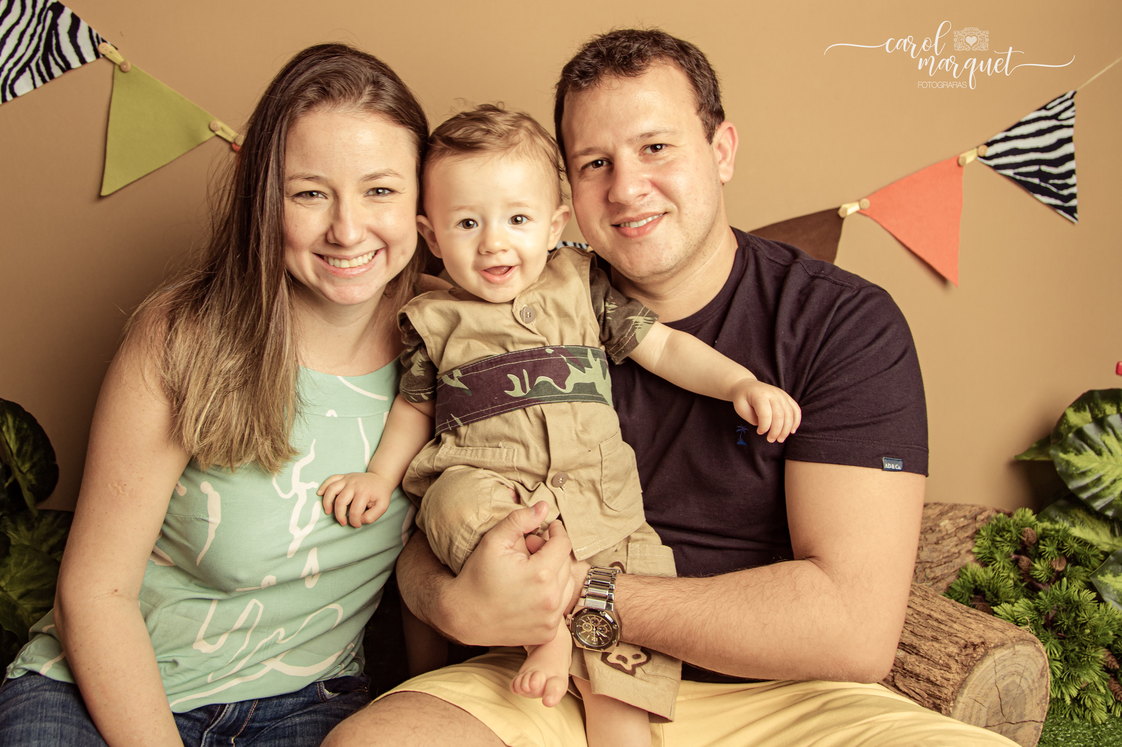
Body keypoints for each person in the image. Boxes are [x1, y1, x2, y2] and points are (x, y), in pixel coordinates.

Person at [323, 30, 1018, 746]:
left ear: (721, 152)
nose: (626, 188)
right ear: (568, 191)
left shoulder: (840, 322)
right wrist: (457, 604)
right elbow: (432, 501)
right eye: (596, 162)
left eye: (656, 147)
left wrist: (578, 594)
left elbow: (851, 627)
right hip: (532, 680)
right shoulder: (490, 308)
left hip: (784, 699)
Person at [0, 43, 432, 747]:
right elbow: (94, 594)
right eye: (309, 192)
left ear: (423, 200)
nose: (347, 229)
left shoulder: (451, 343)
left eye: (380, 190)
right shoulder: (184, 335)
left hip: (306, 702)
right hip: (104, 688)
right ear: (263, 197)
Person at [317, 104, 800, 747]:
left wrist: (739, 382)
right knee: (449, 505)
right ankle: (540, 631)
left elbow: (663, 348)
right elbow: (414, 406)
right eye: (467, 223)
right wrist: (379, 477)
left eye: (517, 219)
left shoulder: (582, 286)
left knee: (623, 700)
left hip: (596, 505)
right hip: (487, 489)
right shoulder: (431, 320)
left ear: (554, 225)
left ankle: (597, 684)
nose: (494, 242)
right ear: (431, 237)